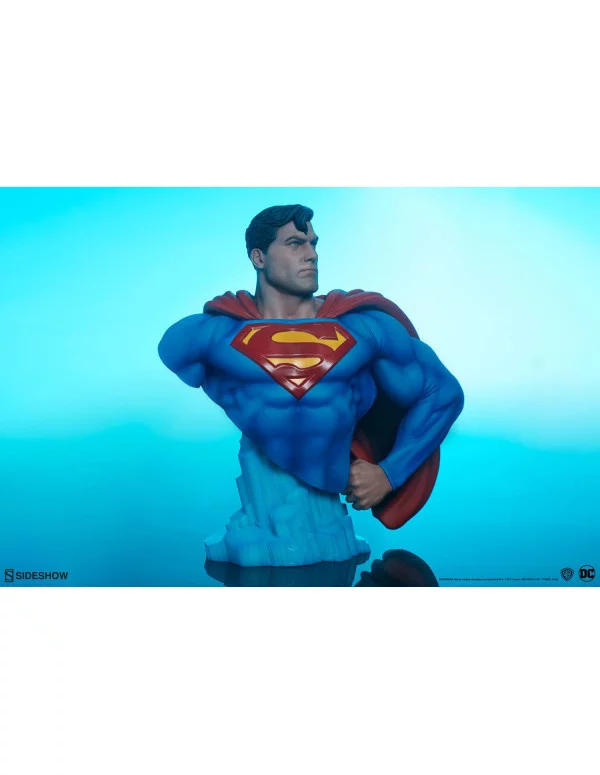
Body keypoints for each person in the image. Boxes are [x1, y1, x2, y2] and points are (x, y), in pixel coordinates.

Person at [158, 204, 464, 567]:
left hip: (329, 507)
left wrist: (389, 473)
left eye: (313, 244)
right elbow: (178, 357)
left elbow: (442, 394)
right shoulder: (209, 335)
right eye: (295, 243)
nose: (311, 254)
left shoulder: (364, 328)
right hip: (262, 499)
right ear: (259, 257)